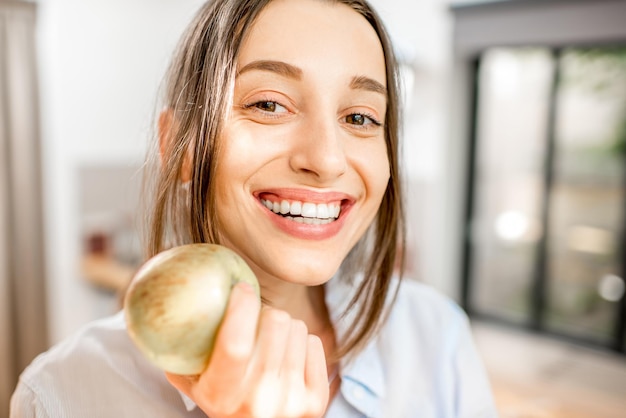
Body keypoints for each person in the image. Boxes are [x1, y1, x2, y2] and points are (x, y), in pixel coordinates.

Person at [11, 0, 497, 416]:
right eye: (269, 104)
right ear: (179, 146)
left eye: (359, 116)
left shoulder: (437, 337)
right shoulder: (62, 394)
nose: (326, 159)